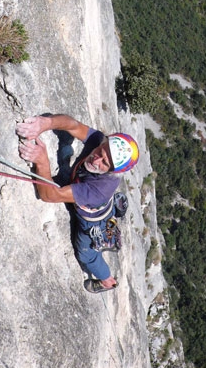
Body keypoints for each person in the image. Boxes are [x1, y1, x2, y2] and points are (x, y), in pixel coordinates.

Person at [16, 114, 139, 294]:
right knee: (103, 202)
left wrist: (42, 162)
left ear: (112, 172)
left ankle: (107, 281)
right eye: (101, 151)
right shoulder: (99, 141)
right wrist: (46, 123)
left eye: (104, 163)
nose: (95, 159)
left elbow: (49, 195)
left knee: (86, 255)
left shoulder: (99, 190)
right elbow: (73, 125)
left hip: (90, 220)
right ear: (104, 142)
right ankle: (115, 207)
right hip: (95, 198)